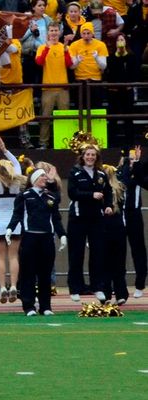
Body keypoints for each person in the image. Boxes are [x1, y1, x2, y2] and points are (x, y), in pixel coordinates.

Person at [5, 167, 67, 316]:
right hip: (30, 238)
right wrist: (10, 229)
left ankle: (45, 306)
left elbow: (56, 218)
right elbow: (17, 214)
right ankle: (29, 306)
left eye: (46, 177)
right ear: (34, 179)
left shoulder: (50, 197)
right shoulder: (25, 196)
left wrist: (62, 235)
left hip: (46, 237)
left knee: (45, 273)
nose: (45, 179)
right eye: (42, 177)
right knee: (28, 273)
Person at [66, 141, 112, 302]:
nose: (90, 157)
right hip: (78, 218)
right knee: (76, 253)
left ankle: (97, 287)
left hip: (96, 218)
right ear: (83, 156)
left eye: (93, 155)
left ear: (96, 157)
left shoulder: (101, 174)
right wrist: (91, 195)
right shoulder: (75, 172)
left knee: (98, 252)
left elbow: (108, 191)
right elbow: (72, 193)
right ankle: (75, 287)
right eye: (88, 154)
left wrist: (108, 206)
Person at [0, 135, 26, 303]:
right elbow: (16, 164)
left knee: (0, 257)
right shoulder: (16, 183)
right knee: (13, 256)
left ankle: (2, 287)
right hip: (14, 223)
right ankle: (14, 285)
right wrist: (6, 151)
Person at [36, 23, 72, 150]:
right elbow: (39, 62)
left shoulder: (64, 47)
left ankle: (64, 143)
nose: (54, 33)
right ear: (48, 33)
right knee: (45, 117)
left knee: (64, 118)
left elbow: (70, 64)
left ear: (59, 32)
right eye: (51, 30)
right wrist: (47, 48)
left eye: (56, 30)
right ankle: (43, 143)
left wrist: (67, 51)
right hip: (48, 89)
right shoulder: (41, 47)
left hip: (63, 89)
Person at [99, 163, 129, 304]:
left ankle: (107, 294)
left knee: (106, 263)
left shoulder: (118, 189)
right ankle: (120, 293)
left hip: (109, 227)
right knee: (117, 263)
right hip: (115, 228)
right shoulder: (119, 188)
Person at [119, 149, 146, 298]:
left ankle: (140, 283)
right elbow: (123, 181)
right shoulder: (119, 173)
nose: (131, 163)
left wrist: (137, 164)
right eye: (128, 160)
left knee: (138, 249)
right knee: (119, 251)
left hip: (134, 213)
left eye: (133, 160)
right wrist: (125, 166)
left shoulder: (138, 174)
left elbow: (137, 179)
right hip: (120, 214)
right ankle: (120, 286)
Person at [105, 34, 139, 146]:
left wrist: (124, 55)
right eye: (118, 40)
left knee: (128, 119)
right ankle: (112, 143)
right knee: (113, 119)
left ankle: (130, 143)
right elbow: (110, 74)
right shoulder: (111, 57)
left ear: (126, 42)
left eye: (122, 40)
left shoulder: (131, 57)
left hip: (127, 91)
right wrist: (117, 56)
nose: (120, 42)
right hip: (114, 91)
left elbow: (133, 73)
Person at [68, 23, 108, 108]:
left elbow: (103, 66)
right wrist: (78, 61)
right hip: (80, 81)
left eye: (88, 33)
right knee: (80, 108)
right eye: (83, 33)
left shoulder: (101, 45)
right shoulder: (74, 45)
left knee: (96, 108)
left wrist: (96, 58)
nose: (86, 36)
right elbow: (71, 67)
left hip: (95, 80)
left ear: (93, 33)